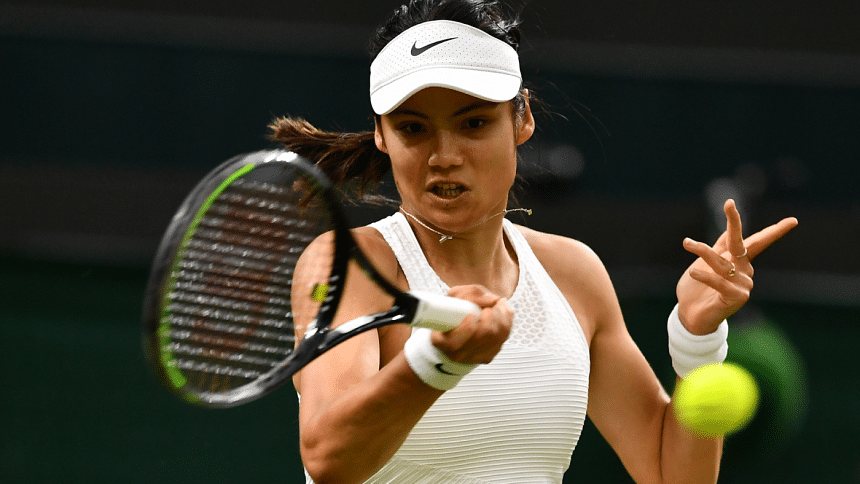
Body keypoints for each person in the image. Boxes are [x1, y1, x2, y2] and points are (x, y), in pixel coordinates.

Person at [270, 1, 798, 482]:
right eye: (413, 128)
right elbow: (328, 459)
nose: (444, 155)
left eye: (473, 123)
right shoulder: (349, 265)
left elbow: (669, 475)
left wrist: (696, 340)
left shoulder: (574, 274)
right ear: (381, 134)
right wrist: (436, 364)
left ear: (521, 118)